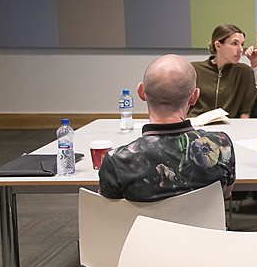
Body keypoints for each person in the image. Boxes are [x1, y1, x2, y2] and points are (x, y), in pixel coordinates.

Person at [98, 55, 236, 202]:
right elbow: (225, 195)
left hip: (141, 219)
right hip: (205, 218)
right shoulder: (221, 145)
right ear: (194, 97)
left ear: (141, 92)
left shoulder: (117, 161)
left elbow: (110, 210)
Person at [190, 24, 257, 119]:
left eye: (242, 44)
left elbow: (245, 112)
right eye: (234, 43)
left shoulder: (245, 72)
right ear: (218, 45)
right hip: (196, 123)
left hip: (229, 125)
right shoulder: (194, 69)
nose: (240, 50)